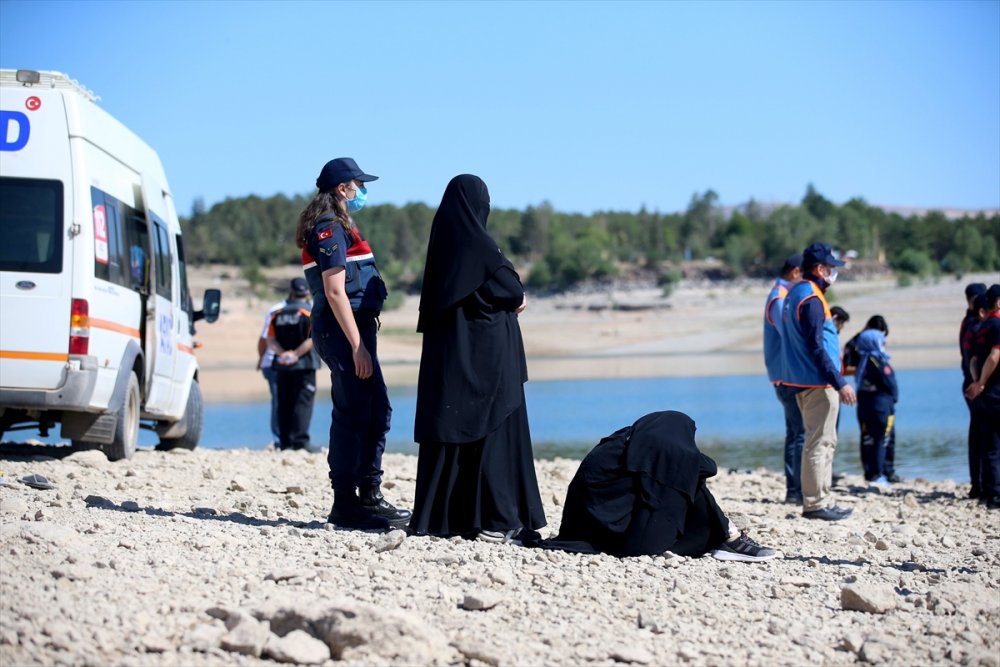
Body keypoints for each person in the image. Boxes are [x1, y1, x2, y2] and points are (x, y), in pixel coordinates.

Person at [409, 174, 546, 543]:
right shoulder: (483, 249)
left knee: (455, 430)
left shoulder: (442, 249)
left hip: (450, 361)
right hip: (488, 361)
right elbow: (512, 290)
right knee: (494, 433)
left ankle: (446, 518)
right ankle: (496, 519)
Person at [296, 157, 410, 530]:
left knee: (377, 410)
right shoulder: (328, 229)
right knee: (353, 413)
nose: (362, 191)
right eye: (359, 185)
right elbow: (334, 291)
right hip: (344, 332)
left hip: (355, 330)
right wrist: (357, 345)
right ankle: (345, 504)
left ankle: (369, 496)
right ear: (342, 189)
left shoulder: (341, 226)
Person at [537, 411, 779, 562]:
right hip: (626, 542)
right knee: (686, 477)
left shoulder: (622, 446)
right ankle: (729, 537)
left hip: (592, 532)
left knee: (677, 471)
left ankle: (728, 535)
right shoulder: (651, 450)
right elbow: (709, 467)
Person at [781, 242, 857, 521]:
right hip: (817, 383)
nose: (832, 273)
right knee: (819, 442)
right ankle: (815, 503)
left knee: (821, 440)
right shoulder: (811, 299)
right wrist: (840, 382)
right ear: (819, 268)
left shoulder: (795, 292)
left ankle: (821, 498)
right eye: (830, 268)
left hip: (802, 380)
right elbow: (817, 347)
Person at [763, 253, 805, 504]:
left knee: (796, 432)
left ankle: (795, 489)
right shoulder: (779, 298)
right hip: (785, 375)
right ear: (795, 272)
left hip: (783, 373)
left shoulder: (780, 295)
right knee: (798, 432)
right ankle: (794, 490)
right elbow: (789, 332)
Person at [265, 278, 320, 451]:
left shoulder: (277, 313)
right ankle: (300, 442)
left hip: (282, 365)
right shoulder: (309, 312)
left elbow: (270, 339)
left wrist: (283, 354)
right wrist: (295, 354)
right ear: (307, 293)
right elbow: (313, 338)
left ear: (291, 292)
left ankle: (285, 442)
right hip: (305, 364)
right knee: (303, 402)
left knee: (284, 402)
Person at [965, 284, 1000, 509]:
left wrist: (977, 382)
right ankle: (995, 494)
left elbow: (973, 360)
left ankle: (988, 491)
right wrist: (983, 382)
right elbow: (995, 356)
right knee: (995, 444)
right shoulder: (996, 325)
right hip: (995, 391)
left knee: (988, 443)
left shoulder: (977, 327)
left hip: (984, 394)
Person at [853, 315, 899, 485]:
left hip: (864, 406)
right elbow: (890, 384)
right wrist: (893, 400)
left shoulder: (863, 362)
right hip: (880, 407)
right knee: (881, 439)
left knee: (868, 439)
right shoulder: (877, 362)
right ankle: (878, 474)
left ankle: (870, 472)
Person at [960, 283, 987, 499]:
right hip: (975, 385)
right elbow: (973, 359)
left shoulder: (972, 323)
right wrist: (978, 382)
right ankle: (980, 485)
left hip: (974, 383)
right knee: (981, 435)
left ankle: (979, 483)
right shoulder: (973, 325)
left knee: (979, 434)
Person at [257, 295, 290, 446]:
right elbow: (265, 338)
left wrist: (260, 358)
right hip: (274, 362)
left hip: (274, 362)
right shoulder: (277, 310)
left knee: (280, 401)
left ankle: (284, 439)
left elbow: (263, 339)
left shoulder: (276, 309)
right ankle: (280, 440)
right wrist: (262, 358)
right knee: (281, 401)